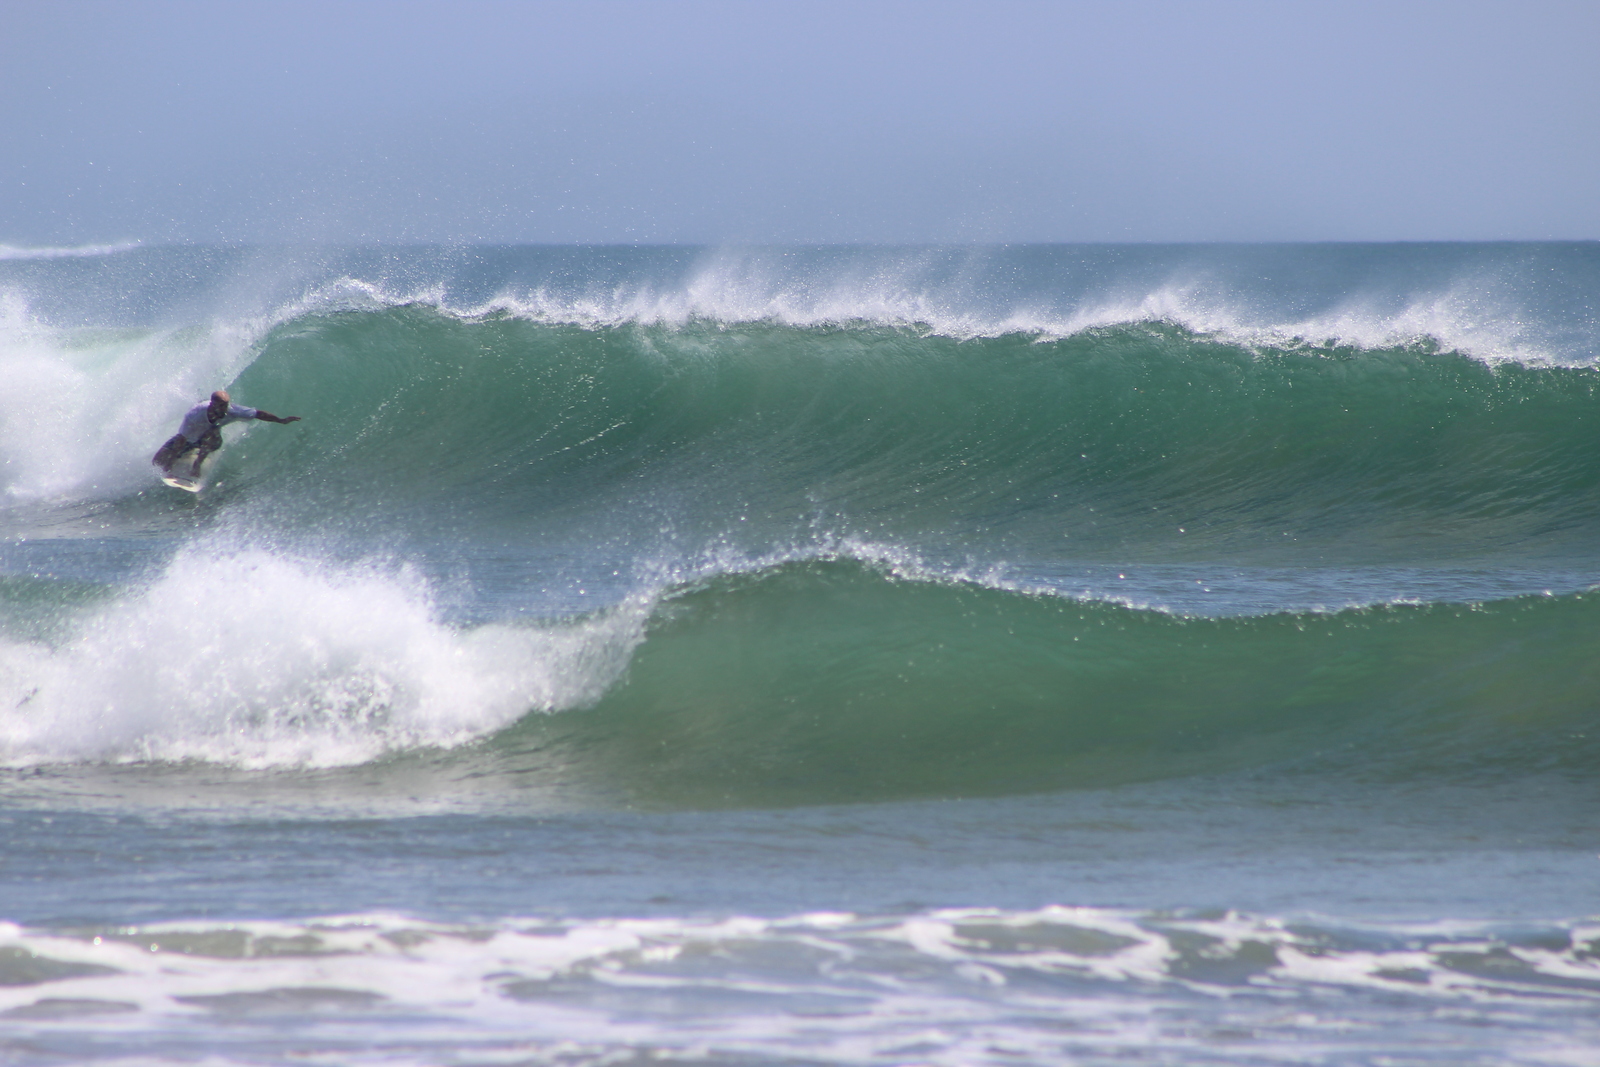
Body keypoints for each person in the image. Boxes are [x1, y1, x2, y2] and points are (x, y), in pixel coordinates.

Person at [152, 390, 301, 479]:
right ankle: (178, 458)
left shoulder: (233, 410)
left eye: (226, 405)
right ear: (211, 404)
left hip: (211, 440)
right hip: (189, 439)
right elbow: (182, 439)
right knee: (157, 461)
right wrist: (170, 461)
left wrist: (281, 420)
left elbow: (258, 414)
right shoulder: (195, 415)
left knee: (211, 431)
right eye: (221, 406)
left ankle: (197, 464)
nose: (225, 409)